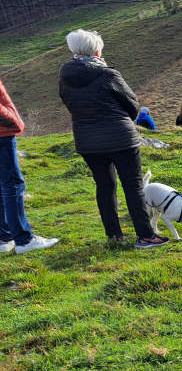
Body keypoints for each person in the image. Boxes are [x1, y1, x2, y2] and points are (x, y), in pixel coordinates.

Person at [57, 29, 169, 249]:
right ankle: (146, 236)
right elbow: (132, 105)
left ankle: (114, 235)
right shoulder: (108, 75)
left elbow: (70, 105)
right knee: (133, 186)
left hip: (87, 141)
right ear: (96, 50)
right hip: (121, 138)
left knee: (104, 186)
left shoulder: (64, 78)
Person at [0, 78, 59, 255]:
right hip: (2, 133)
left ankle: (4, 237)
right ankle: (24, 239)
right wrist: (12, 120)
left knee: (4, 184)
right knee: (12, 185)